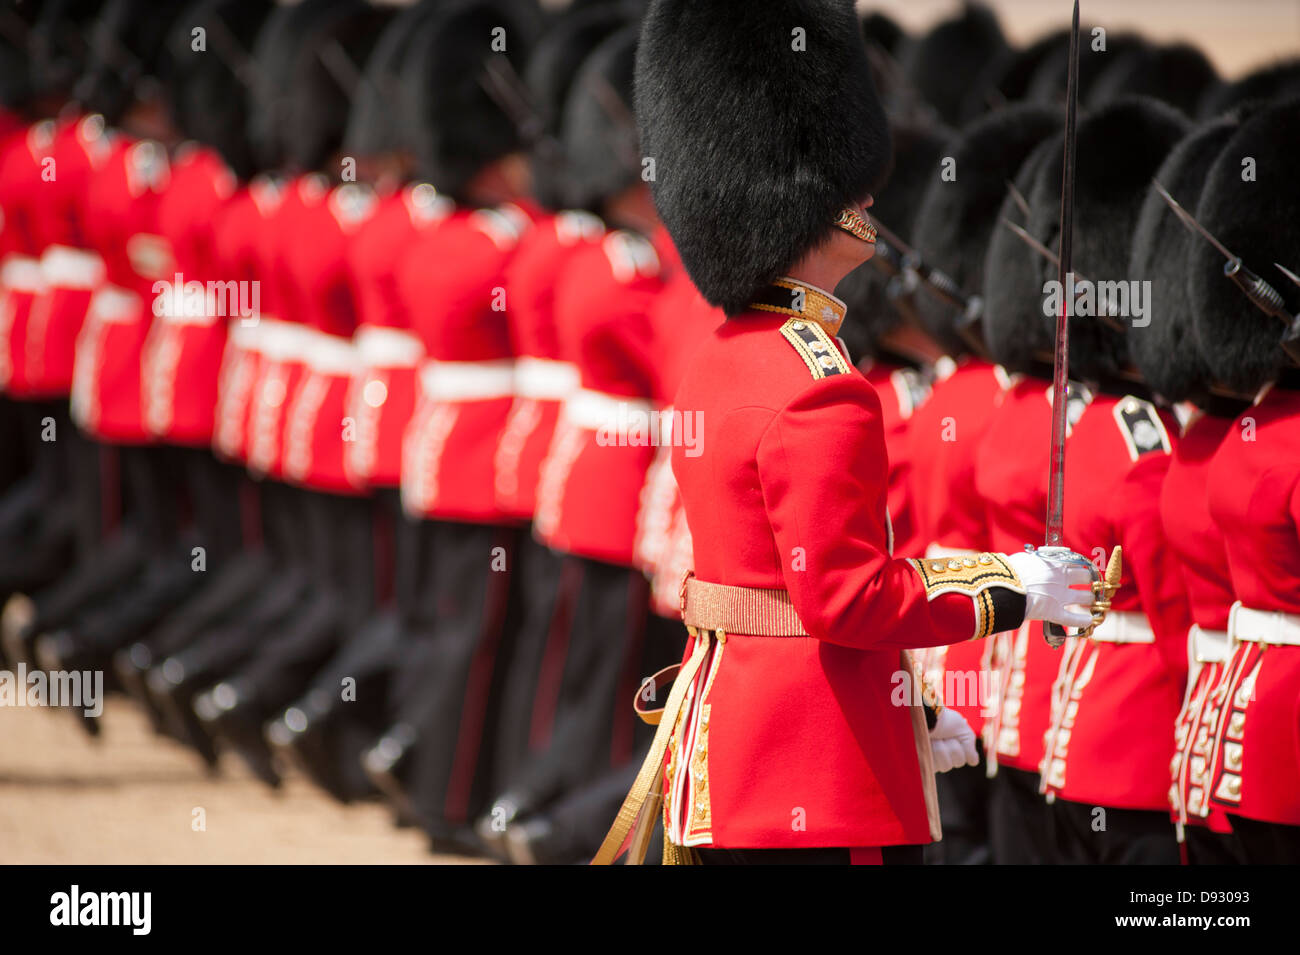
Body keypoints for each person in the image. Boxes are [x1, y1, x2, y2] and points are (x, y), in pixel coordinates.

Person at [597, 0, 1099, 866]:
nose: (867, 196)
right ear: (801, 200)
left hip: (734, 752)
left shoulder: (725, 356)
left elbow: (778, 592)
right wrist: (1014, 583)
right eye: (848, 185)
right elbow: (847, 599)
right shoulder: (820, 386)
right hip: (817, 773)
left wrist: (909, 709)